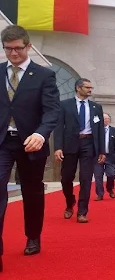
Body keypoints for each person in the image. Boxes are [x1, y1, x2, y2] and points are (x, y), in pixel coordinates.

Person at [0, 25, 60, 271]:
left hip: (31, 143)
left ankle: (33, 236)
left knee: (33, 193)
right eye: (8, 49)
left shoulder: (44, 75)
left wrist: (41, 133)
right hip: (2, 142)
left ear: (28, 46)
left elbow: (52, 110)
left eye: (18, 48)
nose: (13, 54)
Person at [54, 78, 106, 224]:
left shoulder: (96, 107)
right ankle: (70, 202)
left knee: (86, 179)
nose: (90, 90)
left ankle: (82, 211)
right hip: (70, 144)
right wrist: (58, 147)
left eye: (91, 87)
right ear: (78, 88)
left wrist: (102, 150)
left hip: (89, 144)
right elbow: (58, 127)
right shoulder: (65, 105)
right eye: (87, 87)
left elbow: (100, 130)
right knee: (66, 178)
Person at [94, 113, 115, 200]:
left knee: (111, 174)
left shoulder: (114, 130)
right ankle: (100, 194)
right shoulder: (96, 130)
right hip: (98, 157)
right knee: (98, 176)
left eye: (107, 119)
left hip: (110, 156)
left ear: (109, 120)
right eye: (104, 118)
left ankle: (110, 189)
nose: (105, 120)